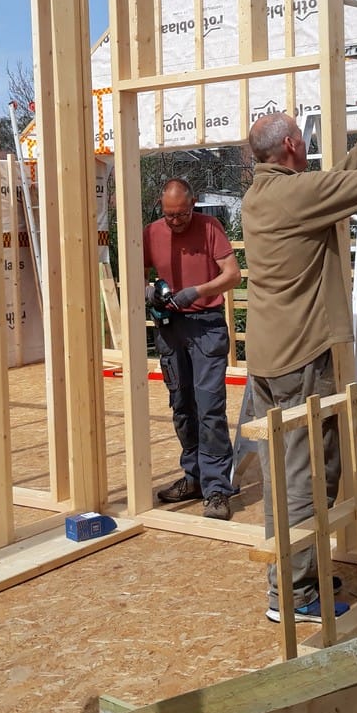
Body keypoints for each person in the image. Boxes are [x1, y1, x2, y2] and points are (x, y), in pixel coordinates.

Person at [241, 105, 357, 622]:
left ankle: (298, 574)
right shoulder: (297, 195)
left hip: (269, 358)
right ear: (292, 145)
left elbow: (333, 183)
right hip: (300, 359)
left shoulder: (265, 194)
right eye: (301, 136)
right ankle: (294, 596)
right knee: (308, 477)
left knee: (283, 476)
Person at [144, 178, 242, 520]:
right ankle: (194, 477)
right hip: (170, 328)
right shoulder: (151, 233)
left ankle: (217, 489)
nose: (175, 221)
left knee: (209, 407)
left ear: (193, 203)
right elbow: (136, 273)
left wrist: (196, 292)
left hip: (205, 326)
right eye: (169, 215)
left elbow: (233, 275)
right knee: (182, 405)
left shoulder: (210, 227)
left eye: (182, 214)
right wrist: (149, 293)